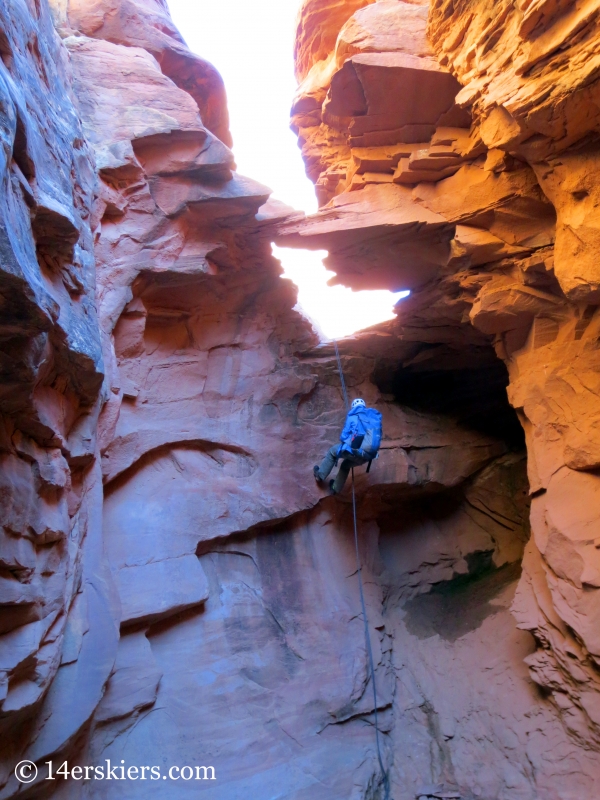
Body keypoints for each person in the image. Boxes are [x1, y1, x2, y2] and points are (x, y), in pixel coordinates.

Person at [313, 398, 382, 495]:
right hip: (367, 456)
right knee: (345, 465)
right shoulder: (373, 418)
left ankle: (320, 476)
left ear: (353, 406)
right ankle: (335, 488)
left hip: (354, 451)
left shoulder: (352, 416)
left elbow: (343, 436)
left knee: (332, 452)